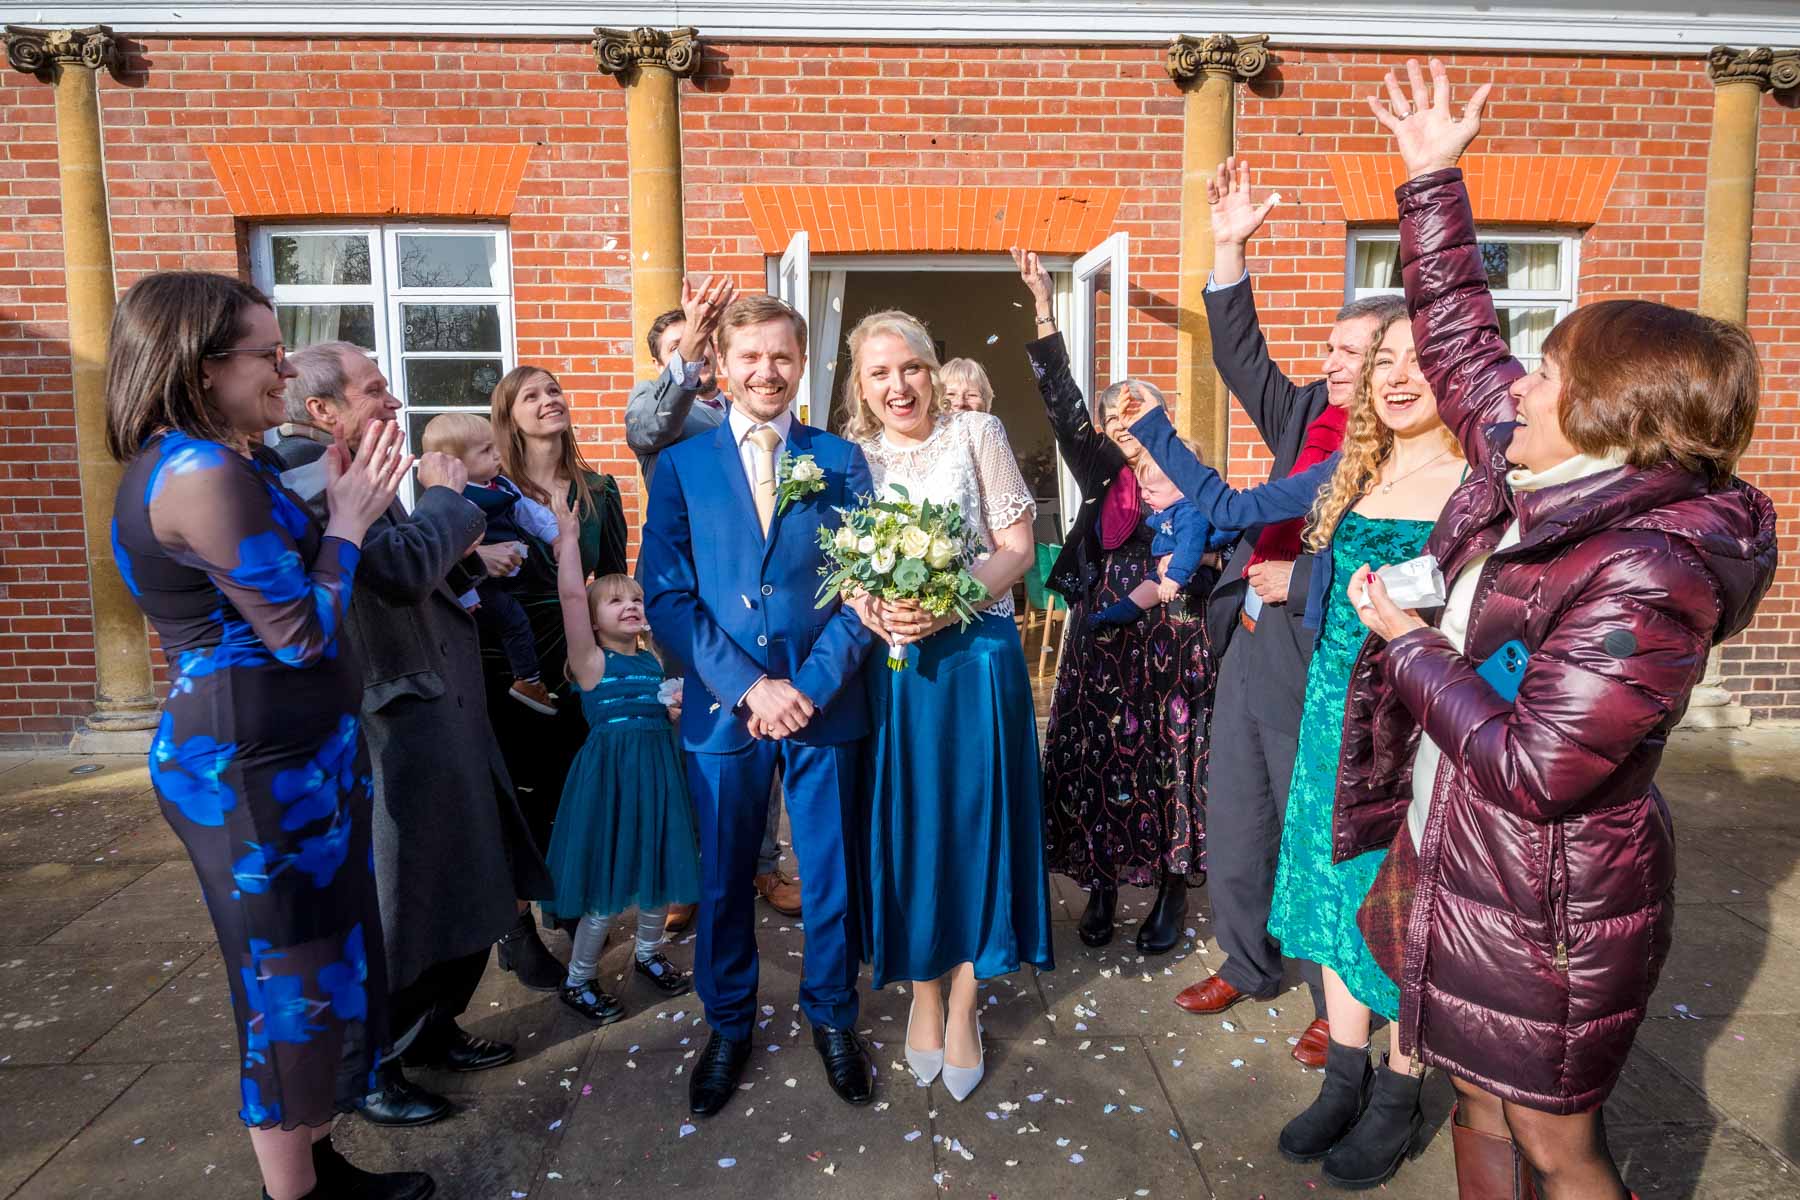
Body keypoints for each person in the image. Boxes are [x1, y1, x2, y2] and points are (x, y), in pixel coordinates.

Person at [1345, 60, 1774, 1200]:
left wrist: (1410, 643)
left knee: (1555, 1141)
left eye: (1549, 373)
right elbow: (1460, 339)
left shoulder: (1650, 566)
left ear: (1608, 408)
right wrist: (1433, 177)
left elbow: (1540, 766)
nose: (1517, 389)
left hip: (1554, 903)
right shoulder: (1552, 475)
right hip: (1458, 858)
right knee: (1475, 1100)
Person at [1118, 300, 1465, 1190]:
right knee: (1328, 889)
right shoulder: (1356, 467)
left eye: (1415, 359)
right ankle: (1343, 1078)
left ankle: (1400, 1090)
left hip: (1409, 721)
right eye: (1380, 359)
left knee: (1401, 912)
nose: (1392, 375)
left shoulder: (1477, 486)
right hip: (1327, 713)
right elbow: (1259, 523)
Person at [105, 271, 431, 1200]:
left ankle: (319, 1165)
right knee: (287, 988)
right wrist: (355, 522)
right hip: (251, 774)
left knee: (324, 968)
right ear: (201, 367)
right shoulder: (198, 473)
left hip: (295, 764)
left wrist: (331, 507)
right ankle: (295, 1196)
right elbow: (301, 633)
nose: (284, 370)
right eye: (267, 353)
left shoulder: (222, 458)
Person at [1171, 158, 1408, 1074]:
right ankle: (1245, 957)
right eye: (1335, 350)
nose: (1331, 365)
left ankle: (1337, 997)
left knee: (1326, 823)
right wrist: (1230, 245)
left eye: (1350, 354)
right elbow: (1240, 356)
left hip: (1331, 653)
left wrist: (1298, 583)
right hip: (1254, 643)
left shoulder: (1400, 443)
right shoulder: (1307, 409)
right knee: (1239, 808)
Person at [282, 344, 553, 1129]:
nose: (394, 401)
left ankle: (435, 1031)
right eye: (374, 389)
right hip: (398, 723)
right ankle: (374, 1068)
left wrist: (467, 566)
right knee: (405, 904)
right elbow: (396, 570)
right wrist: (443, 498)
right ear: (323, 409)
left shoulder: (350, 456)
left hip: (441, 708)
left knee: (465, 882)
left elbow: (407, 571)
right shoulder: (309, 472)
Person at [640, 294, 878, 1118]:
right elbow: (665, 595)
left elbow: (865, 588)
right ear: (723, 365)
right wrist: (750, 685)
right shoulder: (681, 466)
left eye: (781, 357)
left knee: (830, 871)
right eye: (750, 357)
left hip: (825, 703)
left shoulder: (841, 460)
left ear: (801, 362)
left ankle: (834, 1016)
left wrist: (807, 687)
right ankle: (729, 1023)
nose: (766, 372)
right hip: (726, 707)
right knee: (724, 876)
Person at [844, 310, 1054, 1103]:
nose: (898, 386)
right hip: (894, 667)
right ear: (860, 386)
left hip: (975, 659)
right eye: (879, 373)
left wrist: (949, 603)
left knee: (976, 824)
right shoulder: (852, 458)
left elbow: (1017, 549)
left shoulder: (980, 434)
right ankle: (923, 990)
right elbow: (839, 563)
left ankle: (965, 998)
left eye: (911, 368)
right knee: (908, 827)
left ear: (933, 370)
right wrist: (870, 605)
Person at [1012, 248, 1218, 956]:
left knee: (1167, 756)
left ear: (1159, 413)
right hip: (1106, 631)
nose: (1123, 423)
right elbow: (1063, 405)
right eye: (1114, 414)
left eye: (1137, 410)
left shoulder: (1192, 466)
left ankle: (1168, 888)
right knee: (1100, 756)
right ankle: (1100, 885)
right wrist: (1045, 311)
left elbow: (1226, 528)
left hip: (1173, 633)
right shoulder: (1102, 466)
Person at [627, 278, 803, 928]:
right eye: (684, 348)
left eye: (703, 344)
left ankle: (761, 861)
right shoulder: (664, 412)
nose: (698, 358)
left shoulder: (756, 418)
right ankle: (692, 874)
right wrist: (688, 358)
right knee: (696, 732)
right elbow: (649, 424)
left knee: (768, 723)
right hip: (687, 611)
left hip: (761, 606)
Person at [483, 364, 629, 990]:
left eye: (554, 391)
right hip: (507, 659)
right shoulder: (491, 488)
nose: (550, 401)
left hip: (577, 653)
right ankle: (513, 931)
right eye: (532, 396)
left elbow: (617, 582)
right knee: (515, 793)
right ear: (509, 415)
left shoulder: (598, 489)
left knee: (574, 784)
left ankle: (564, 900)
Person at [542, 538, 701, 1022]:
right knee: (606, 885)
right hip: (610, 783)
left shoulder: (653, 659)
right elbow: (571, 596)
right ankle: (579, 978)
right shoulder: (591, 663)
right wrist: (568, 539)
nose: (630, 606)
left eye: (635, 599)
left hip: (657, 777)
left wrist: (675, 712)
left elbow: (663, 716)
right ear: (592, 621)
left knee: (657, 871)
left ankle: (649, 952)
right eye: (615, 600)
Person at [419, 412, 561, 715]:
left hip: (512, 576)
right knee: (513, 621)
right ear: (454, 463)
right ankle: (528, 680)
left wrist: (556, 536)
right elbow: (452, 552)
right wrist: (466, 594)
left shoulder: (502, 486)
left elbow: (529, 512)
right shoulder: (454, 500)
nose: (497, 455)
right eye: (485, 450)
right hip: (480, 587)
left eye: (495, 446)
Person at [1085, 453, 1236, 630]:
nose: (1144, 496)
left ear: (1183, 488)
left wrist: (1174, 577)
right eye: (1142, 488)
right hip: (1182, 563)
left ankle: (1115, 614)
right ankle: (1112, 615)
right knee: (1149, 588)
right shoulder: (1172, 505)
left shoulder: (1191, 513)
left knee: (1160, 584)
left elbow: (1189, 546)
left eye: (1152, 491)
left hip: (1203, 568)